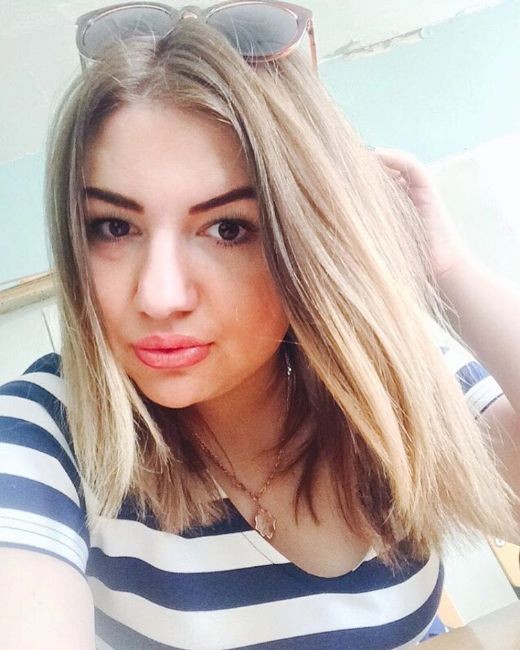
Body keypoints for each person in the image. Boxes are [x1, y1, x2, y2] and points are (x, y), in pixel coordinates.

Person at [0, 2, 519, 648]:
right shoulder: (45, 432)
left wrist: (447, 268)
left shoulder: (387, 373)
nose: (159, 295)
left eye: (228, 228)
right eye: (114, 227)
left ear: (306, 238)